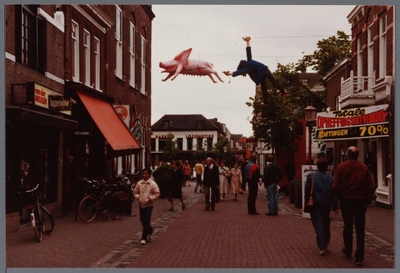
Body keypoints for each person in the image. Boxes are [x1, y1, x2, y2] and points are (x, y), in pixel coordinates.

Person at [332, 146, 375, 266]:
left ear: (347, 155)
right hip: (360, 201)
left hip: (346, 200)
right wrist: (366, 198)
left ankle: (348, 249)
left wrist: (339, 196)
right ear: (357, 155)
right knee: (360, 228)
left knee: (348, 226)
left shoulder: (341, 167)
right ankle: (359, 256)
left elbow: (335, 186)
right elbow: (370, 186)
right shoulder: (364, 168)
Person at [223, 36, 285, 107]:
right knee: (273, 82)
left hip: (262, 74)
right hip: (265, 70)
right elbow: (248, 51)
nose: (243, 74)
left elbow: (238, 72)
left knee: (264, 88)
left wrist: (229, 74)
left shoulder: (247, 69)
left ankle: (267, 102)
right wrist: (247, 42)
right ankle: (281, 91)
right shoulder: (249, 60)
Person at [304, 158, 339, 255]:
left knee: (318, 224)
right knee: (326, 223)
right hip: (326, 203)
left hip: (315, 203)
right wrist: (335, 207)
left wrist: (306, 202)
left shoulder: (312, 176)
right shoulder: (330, 179)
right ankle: (326, 242)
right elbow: (333, 194)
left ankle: (321, 246)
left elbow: (307, 190)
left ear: (317, 166)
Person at [133, 168, 160, 245]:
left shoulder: (152, 184)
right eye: (143, 173)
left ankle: (143, 238)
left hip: (149, 205)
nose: (144, 175)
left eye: (146, 173)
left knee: (147, 220)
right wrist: (138, 197)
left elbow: (157, 193)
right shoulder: (139, 183)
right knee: (143, 220)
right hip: (141, 204)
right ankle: (150, 230)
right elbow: (135, 192)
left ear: (149, 174)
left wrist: (150, 198)